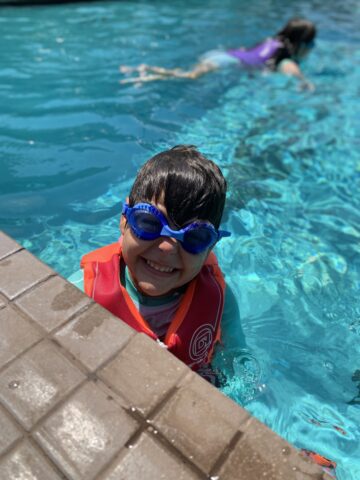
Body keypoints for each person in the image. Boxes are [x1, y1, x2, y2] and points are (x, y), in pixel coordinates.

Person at [81, 145, 246, 383]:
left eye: (195, 237)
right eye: (149, 223)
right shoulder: (83, 291)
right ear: (124, 219)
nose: (167, 248)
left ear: (210, 247)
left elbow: (237, 357)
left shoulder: (220, 298)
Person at [120, 17, 316, 91]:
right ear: (302, 43)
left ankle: (144, 68)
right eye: (311, 44)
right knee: (188, 76)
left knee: (187, 71)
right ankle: (148, 77)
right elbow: (296, 75)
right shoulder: (287, 60)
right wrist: (307, 84)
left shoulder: (273, 41)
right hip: (225, 62)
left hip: (222, 55)